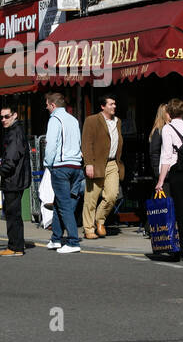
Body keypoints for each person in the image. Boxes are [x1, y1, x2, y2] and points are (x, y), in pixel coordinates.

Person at [155, 97, 183, 263]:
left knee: (179, 213)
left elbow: (167, 156)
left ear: (169, 113)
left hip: (177, 173)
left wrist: (160, 181)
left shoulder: (168, 129)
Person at [0, 104, 31, 256]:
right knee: (13, 214)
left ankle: (15, 247)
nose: (3, 120)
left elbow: (12, 160)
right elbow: (13, 157)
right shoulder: (14, 131)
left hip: (14, 179)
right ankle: (16, 246)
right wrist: (2, 163)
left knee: (12, 215)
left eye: (7, 116)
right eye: (2, 117)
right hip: (15, 178)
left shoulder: (14, 133)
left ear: (15, 115)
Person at [43, 92, 83, 253]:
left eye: (47, 105)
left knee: (64, 205)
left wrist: (48, 163)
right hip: (76, 166)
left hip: (61, 166)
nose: (46, 107)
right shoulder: (73, 120)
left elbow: (51, 144)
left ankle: (73, 242)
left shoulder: (54, 119)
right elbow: (78, 142)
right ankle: (56, 238)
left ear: (53, 105)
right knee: (61, 203)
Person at [81, 95, 124, 240]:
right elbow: (86, 143)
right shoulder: (92, 120)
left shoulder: (118, 122)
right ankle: (89, 228)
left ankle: (100, 220)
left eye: (115, 103)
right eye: (111, 104)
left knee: (112, 195)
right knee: (91, 198)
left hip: (112, 163)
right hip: (96, 163)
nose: (114, 106)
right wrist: (88, 164)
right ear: (103, 106)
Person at [147, 104, 169, 177]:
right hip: (162, 172)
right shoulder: (158, 130)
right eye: (169, 112)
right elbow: (154, 152)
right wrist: (157, 172)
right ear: (164, 114)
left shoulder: (169, 128)